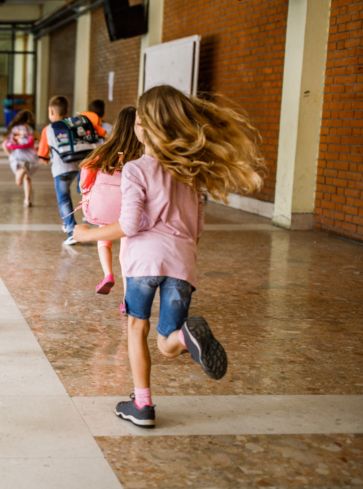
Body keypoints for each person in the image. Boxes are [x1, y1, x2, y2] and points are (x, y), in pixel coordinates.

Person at [71, 85, 264, 428]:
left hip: (144, 262)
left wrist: (88, 234)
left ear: (143, 126)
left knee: (136, 327)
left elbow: (129, 225)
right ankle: (185, 337)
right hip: (182, 263)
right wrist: (184, 260)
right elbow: (198, 228)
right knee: (166, 342)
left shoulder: (136, 168)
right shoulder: (192, 173)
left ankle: (142, 405)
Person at [79, 107, 143, 301]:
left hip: (106, 205)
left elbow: (85, 177)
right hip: (130, 209)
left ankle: (108, 274)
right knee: (125, 255)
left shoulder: (104, 151)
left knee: (104, 242)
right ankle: (126, 300)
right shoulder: (141, 154)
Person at [38, 96, 107, 245]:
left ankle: (71, 231)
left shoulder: (48, 129)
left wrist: (44, 159)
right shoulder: (77, 122)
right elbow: (102, 133)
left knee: (63, 199)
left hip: (61, 168)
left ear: (50, 111)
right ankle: (82, 208)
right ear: (68, 111)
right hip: (79, 165)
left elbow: (43, 155)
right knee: (80, 188)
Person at [1, 109, 41, 207]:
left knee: (19, 182)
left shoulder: (15, 129)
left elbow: (4, 144)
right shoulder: (31, 131)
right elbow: (42, 142)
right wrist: (37, 148)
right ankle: (27, 200)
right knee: (27, 178)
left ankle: (23, 168)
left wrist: (10, 156)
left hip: (18, 156)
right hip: (29, 157)